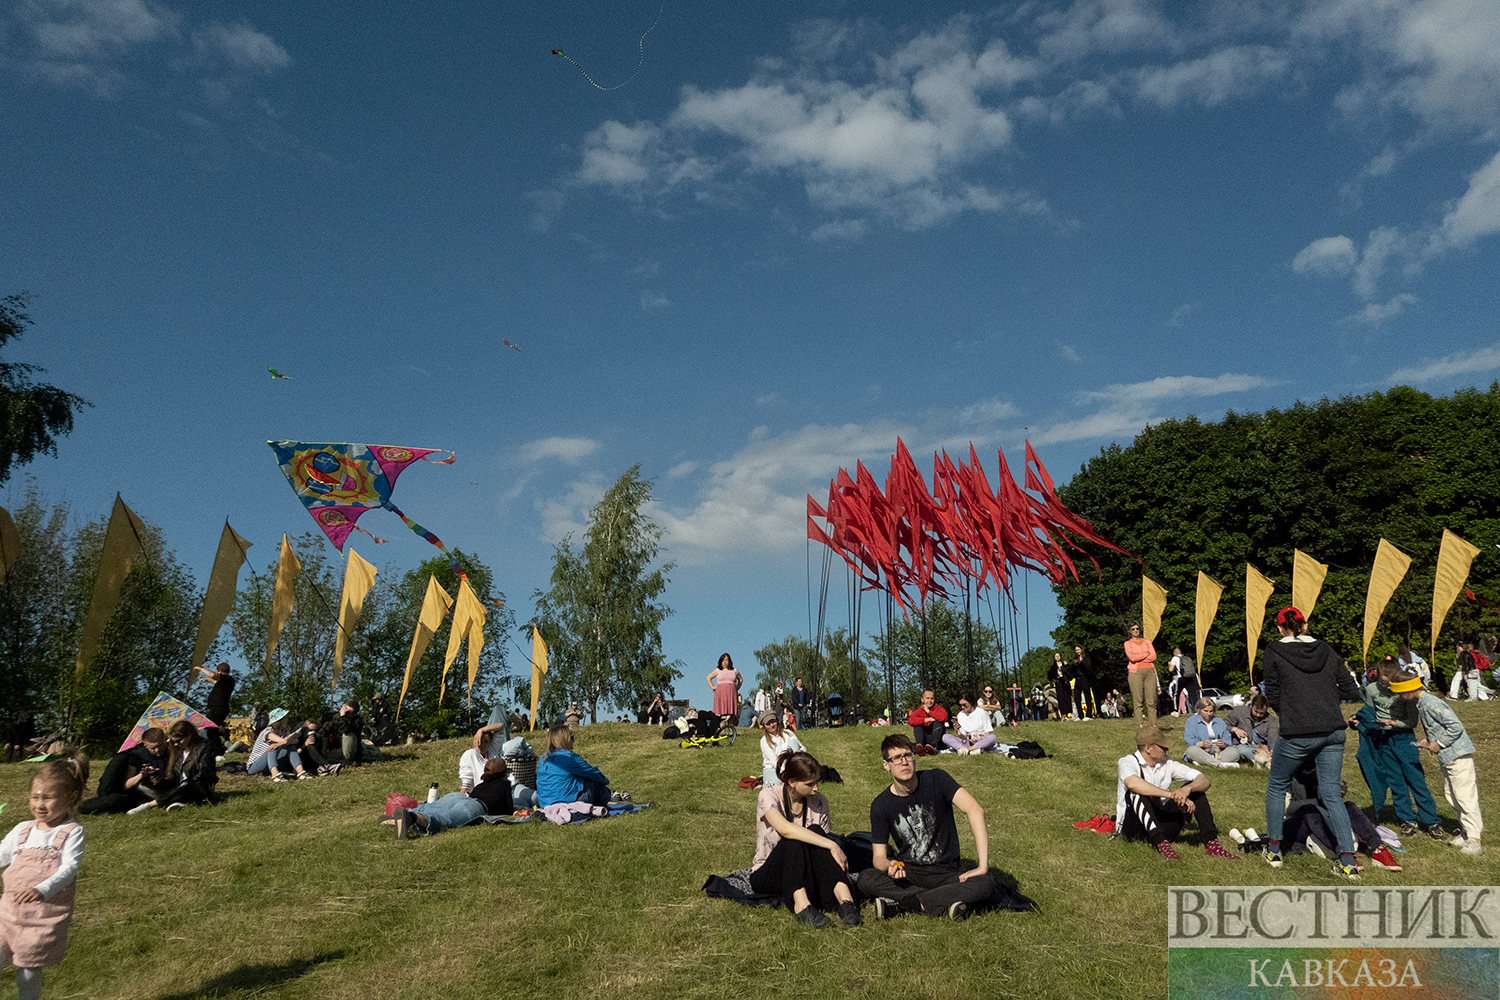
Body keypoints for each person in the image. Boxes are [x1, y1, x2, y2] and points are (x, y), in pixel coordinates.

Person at [1260, 606, 1362, 878]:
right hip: (1333, 729)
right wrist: (1324, 699)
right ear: (1304, 626)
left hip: (1297, 730)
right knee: (1331, 793)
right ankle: (1349, 862)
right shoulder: (1326, 649)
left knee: (1277, 786)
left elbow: (1272, 693)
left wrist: (1293, 712)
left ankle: (1273, 850)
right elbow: (1351, 689)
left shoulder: (1273, 651)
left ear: (1280, 628)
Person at [857, 734, 994, 920]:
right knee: (866, 878)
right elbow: (878, 857)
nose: (904, 762)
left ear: (914, 758)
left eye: (907, 755)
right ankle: (944, 902)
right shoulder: (881, 805)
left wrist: (982, 866)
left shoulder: (937, 779)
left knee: (985, 883)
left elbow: (975, 810)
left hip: (947, 873)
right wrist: (890, 865)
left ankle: (905, 905)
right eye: (896, 758)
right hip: (909, 874)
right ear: (886, 765)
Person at [0, 751, 88, 1000]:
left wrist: (42, 889)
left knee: (28, 971)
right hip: (7, 912)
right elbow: (2, 853)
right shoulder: (23, 830)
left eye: (48, 798)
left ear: (71, 798)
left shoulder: (71, 832)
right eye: (35, 796)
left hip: (41, 918)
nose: (40, 804)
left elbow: (69, 869)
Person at [749, 750, 860, 928]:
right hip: (770, 872)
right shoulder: (768, 796)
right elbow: (786, 830)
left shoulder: (819, 802)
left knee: (815, 831)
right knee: (793, 839)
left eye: (817, 782)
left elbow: (821, 853)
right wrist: (833, 845)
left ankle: (846, 901)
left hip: (806, 872)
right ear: (792, 782)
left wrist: (830, 847)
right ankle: (801, 906)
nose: (816, 788)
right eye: (809, 784)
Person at [1116, 725, 1238, 861]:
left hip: (1161, 823)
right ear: (1148, 748)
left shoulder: (1167, 763)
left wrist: (1186, 790)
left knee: (1196, 791)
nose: (1167, 749)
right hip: (1134, 829)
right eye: (1162, 746)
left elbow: (1204, 780)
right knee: (1136, 794)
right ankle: (1162, 845)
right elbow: (1132, 783)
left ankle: (1212, 843)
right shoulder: (1128, 762)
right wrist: (1172, 795)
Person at [1395, 670, 1483, 854]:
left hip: (1458, 755)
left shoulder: (1431, 703)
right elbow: (1438, 727)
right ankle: (1466, 832)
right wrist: (1429, 741)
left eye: (1400, 693)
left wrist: (1439, 743)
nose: (1400, 697)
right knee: (1452, 795)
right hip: (1448, 757)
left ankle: (1474, 839)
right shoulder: (1422, 703)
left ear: (1408, 690)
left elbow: (1455, 726)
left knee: (1465, 796)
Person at [1353, 657, 1441, 839]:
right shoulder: (1371, 689)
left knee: (1416, 780)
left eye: (1389, 684)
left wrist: (1393, 723)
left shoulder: (1404, 691)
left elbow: (1412, 721)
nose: (1386, 688)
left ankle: (1431, 821)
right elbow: (1369, 712)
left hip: (1404, 738)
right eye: (1382, 683)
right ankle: (1407, 819)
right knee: (1396, 782)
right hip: (1383, 740)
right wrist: (1358, 719)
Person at [1281, 759, 1403, 871]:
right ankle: (1344, 854)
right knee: (1310, 811)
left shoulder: (1322, 770)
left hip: (1323, 816)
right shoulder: (1288, 773)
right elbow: (1286, 808)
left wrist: (1336, 793)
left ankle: (1378, 848)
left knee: (1349, 806)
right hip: (1294, 823)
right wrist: (1321, 800)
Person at [129, 721, 219, 813]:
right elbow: (174, 775)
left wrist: (180, 788)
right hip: (177, 785)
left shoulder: (205, 745)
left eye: (178, 741)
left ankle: (150, 804)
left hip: (197, 786)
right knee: (142, 786)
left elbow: (203, 773)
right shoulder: (176, 749)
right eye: (173, 741)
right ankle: (176, 800)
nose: (175, 744)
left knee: (187, 783)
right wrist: (159, 779)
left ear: (189, 736)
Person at [79, 729, 171, 815]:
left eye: (160, 745)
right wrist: (142, 775)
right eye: (153, 748)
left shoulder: (172, 751)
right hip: (138, 794)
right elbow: (126, 785)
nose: (157, 750)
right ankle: (79, 808)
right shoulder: (138, 756)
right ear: (145, 745)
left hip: (165, 790)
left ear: (165, 739)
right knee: (111, 801)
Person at [536, 725, 610, 807]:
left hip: (545, 803)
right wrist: (605, 781)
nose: (573, 741)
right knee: (597, 786)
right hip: (568, 804)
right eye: (572, 738)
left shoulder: (543, 758)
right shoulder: (569, 757)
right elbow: (593, 773)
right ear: (565, 740)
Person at [1181, 698, 1258, 769]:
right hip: (1202, 750)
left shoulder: (1219, 721)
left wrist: (1224, 744)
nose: (1208, 714)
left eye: (1211, 711)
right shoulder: (1191, 721)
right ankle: (1220, 764)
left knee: (1235, 752)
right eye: (1205, 711)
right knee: (1191, 751)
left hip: (1218, 752)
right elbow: (1189, 740)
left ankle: (1205, 761)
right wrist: (1202, 744)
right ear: (1199, 710)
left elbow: (1227, 738)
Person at [247, 710, 314, 781]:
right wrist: (286, 739)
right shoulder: (268, 731)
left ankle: (301, 772)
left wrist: (286, 741)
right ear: (279, 721)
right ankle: (275, 774)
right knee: (273, 746)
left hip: (270, 762)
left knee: (290, 745)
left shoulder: (284, 731)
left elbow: (295, 741)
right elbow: (283, 741)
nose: (287, 720)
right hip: (255, 766)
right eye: (285, 719)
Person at [1224, 693, 1279, 762]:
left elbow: (1273, 738)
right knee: (1240, 750)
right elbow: (1223, 725)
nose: (1258, 715)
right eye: (1256, 711)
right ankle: (1262, 759)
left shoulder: (1271, 720)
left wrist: (1272, 750)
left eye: (1261, 713)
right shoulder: (1238, 712)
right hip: (1242, 746)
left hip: (1261, 748)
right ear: (1251, 706)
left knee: (1275, 750)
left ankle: (1257, 758)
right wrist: (1235, 729)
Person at [194, 662, 235, 756]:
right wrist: (207, 680)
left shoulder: (227, 679)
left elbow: (213, 675)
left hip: (218, 708)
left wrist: (200, 669)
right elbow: (215, 681)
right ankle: (216, 750)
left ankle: (217, 752)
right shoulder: (226, 681)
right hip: (217, 709)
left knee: (210, 729)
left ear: (219, 671)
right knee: (212, 730)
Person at [459, 720, 508, 793]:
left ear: (490, 742)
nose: (481, 744)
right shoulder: (469, 755)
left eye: (486, 741)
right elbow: (466, 783)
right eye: (479, 740)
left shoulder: (492, 751)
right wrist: (461, 796)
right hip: (480, 793)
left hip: (498, 791)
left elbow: (501, 726)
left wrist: (481, 730)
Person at [1124, 622, 1158, 726]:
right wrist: (1145, 655)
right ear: (1130, 631)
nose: (1135, 630)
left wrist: (1139, 657)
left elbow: (1153, 656)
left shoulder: (1147, 642)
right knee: (1138, 700)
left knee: (1151, 700)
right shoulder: (1128, 643)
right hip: (1135, 672)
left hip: (1150, 671)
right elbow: (1132, 658)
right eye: (1133, 629)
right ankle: (1140, 725)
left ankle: (1154, 725)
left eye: (1137, 628)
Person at [759, 711, 806, 787]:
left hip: (792, 766)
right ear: (764, 726)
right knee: (782, 785)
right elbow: (774, 762)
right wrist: (785, 774)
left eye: (773, 722)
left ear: (777, 721)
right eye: (768, 724)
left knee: (793, 742)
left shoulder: (788, 733)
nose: (771, 725)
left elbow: (803, 748)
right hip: (773, 769)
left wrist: (799, 752)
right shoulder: (764, 741)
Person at [907, 690, 948, 754]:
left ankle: (933, 745)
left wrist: (928, 711)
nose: (930, 701)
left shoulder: (939, 709)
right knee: (917, 724)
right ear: (922, 700)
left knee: (938, 722)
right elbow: (911, 721)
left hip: (938, 739)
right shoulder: (919, 711)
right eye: (927, 698)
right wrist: (928, 719)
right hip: (925, 737)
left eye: (932, 698)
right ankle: (920, 745)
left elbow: (944, 717)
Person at [707, 654, 742, 727]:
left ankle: (731, 729)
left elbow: (740, 679)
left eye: (726, 660)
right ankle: (722, 729)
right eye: (723, 660)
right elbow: (708, 677)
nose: (725, 662)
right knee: (722, 713)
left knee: (731, 713)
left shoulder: (734, 671)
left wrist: (737, 687)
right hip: (721, 693)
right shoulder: (718, 670)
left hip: (731, 693)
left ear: (730, 661)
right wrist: (712, 687)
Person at [1071, 646, 1097, 719]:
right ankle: (1080, 715)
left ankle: (1089, 715)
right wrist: (1074, 664)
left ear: (1081, 650)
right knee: (1077, 697)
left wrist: (1081, 662)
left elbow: (1088, 668)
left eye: (1078, 650)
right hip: (1077, 679)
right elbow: (1072, 671)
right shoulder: (1075, 659)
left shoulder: (1086, 658)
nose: (1077, 651)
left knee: (1087, 696)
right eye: (1076, 650)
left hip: (1085, 679)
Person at [1175, 647, 1200, 716]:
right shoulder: (1187, 658)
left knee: (1177, 693)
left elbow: (1170, 669)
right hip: (1190, 677)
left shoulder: (1175, 658)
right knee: (1192, 694)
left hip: (1181, 677)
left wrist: (1170, 664)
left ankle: (1176, 710)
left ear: (1175, 653)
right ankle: (1196, 710)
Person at [1051, 652, 1072, 719]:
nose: (1057, 657)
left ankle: (1069, 713)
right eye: (1056, 656)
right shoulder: (1053, 666)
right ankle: (1063, 713)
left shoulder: (1064, 664)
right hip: (1058, 682)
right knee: (1061, 698)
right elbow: (1051, 675)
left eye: (1058, 656)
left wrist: (1066, 665)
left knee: (1067, 697)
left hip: (1065, 682)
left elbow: (1070, 671)